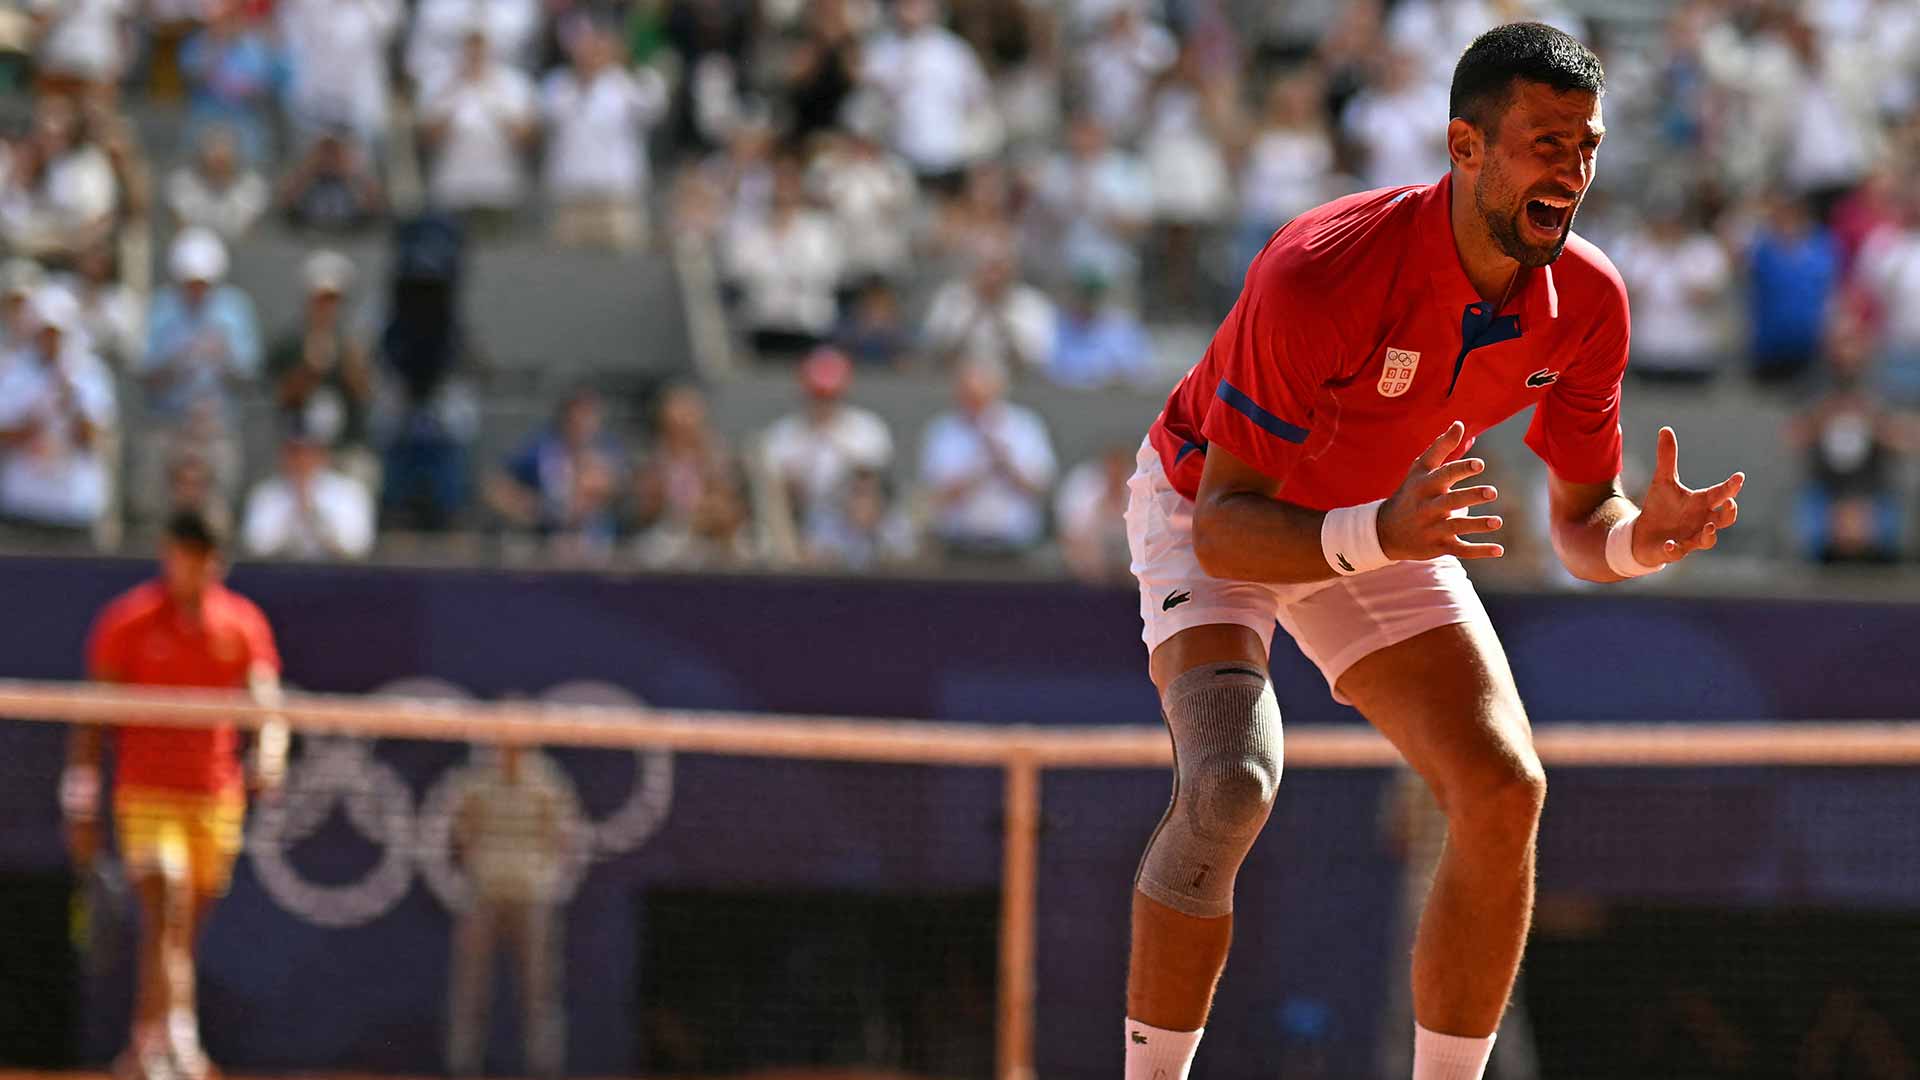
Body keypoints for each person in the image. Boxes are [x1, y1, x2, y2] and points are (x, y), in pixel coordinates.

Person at [1119, 26, 1745, 1080]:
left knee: (1505, 790)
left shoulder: (1588, 303)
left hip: (1383, 515)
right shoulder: (1321, 268)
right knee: (1230, 784)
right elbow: (1227, 523)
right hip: (1219, 507)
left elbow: (1584, 526)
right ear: (1465, 147)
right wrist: (1382, 534)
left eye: (1587, 146)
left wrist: (1645, 543)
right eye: (1547, 143)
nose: (1575, 170)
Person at [65, 508, 288, 1080]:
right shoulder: (127, 620)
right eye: (181, 556)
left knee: (179, 928)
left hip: (215, 799)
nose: (189, 569)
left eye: (202, 560)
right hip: (145, 794)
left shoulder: (242, 623)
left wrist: (269, 753)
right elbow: (91, 717)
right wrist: (81, 792)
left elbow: (266, 703)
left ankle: (144, 1041)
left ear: (215, 563)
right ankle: (182, 1041)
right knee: (170, 896)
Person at [445, 743, 580, 1080]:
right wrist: (482, 866)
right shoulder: (475, 782)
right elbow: (460, 832)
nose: (510, 749)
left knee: (539, 989)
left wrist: (539, 873)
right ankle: (462, 1068)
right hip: (484, 893)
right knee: (471, 988)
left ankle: (543, 1068)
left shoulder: (547, 781)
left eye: (517, 741)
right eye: (504, 740)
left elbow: (563, 835)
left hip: (532, 896)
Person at [0, 285, 117, 548]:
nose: (50, 340)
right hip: (24, 506)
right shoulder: (11, 371)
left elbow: (95, 440)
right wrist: (33, 421)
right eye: (44, 332)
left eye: (57, 333)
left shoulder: (89, 375)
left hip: (74, 508)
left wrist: (70, 402)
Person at [918, 356, 1056, 560]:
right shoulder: (942, 432)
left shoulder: (1026, 427)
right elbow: (936, 496)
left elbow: (1041, 488)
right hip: (958, 544)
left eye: (981, 399)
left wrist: (1005, 464)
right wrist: (979, 468)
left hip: (1016, 545)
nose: (974, 406)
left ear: (997, 392)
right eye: (968, 397)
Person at [240, 427, 376, 560]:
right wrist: (295, 512)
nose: (302, 460)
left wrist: (313, 517)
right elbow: (255, 547)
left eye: (309, 453)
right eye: (295, 453)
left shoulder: (350, 492)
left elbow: (357, 548)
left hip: (336, 574)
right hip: (280, 574)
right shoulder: (264, 494)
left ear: (323, 455)